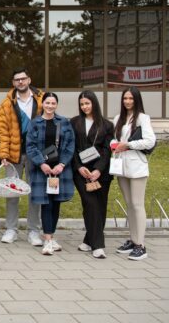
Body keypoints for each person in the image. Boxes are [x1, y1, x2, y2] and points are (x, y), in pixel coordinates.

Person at [0, 68, 45, 246]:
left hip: (35, 154)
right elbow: (2, 131)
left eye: (23, 79)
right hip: (13, 155)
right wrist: (3, 154)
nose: (21, 82)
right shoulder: (6, 104)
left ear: (29, 79)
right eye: (17, 80)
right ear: (13, 83)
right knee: (12, 192)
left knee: (35, 192)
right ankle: (11, 229)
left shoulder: (42, 99)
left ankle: (33, 231)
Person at [25, 92, 75, 255]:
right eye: (47, 103)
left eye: (53, 103)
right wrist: (42, 164)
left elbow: (70, 146)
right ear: (43, 104)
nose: (50, 106)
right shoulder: (35, 123)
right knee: (47, 204)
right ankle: (47, 240)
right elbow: (30, 146)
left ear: (56, 105)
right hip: (42, 171)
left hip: (60, 171)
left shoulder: (64, 122)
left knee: (56, 204)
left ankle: (51, 237)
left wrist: (61, 164)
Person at [111, 87, 156, 261]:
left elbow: (150, 141)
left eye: (130, 98)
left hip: (137, 167)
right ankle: (133, 239)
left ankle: (141, 245)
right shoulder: (118, 118)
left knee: (137, 205)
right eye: (125, 98)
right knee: (129, 204)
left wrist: (128, 145)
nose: (127, 101)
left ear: (136, 100)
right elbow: (114, 138)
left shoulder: (143, 118)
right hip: (121, 165)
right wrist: (115, 144)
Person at [70, 90, 114, 259]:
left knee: (100, 206)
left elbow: (107, 150)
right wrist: (79, 167)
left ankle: (89, 240)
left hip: (101, 172)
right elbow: (71, 147)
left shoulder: (107, 125)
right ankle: (98, 246)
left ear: (94, 103)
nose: (84, 106)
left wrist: (98, 170)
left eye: (87, 103)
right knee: (90, 203)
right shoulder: (74, 123)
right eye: (82, 104)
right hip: (81, 171)